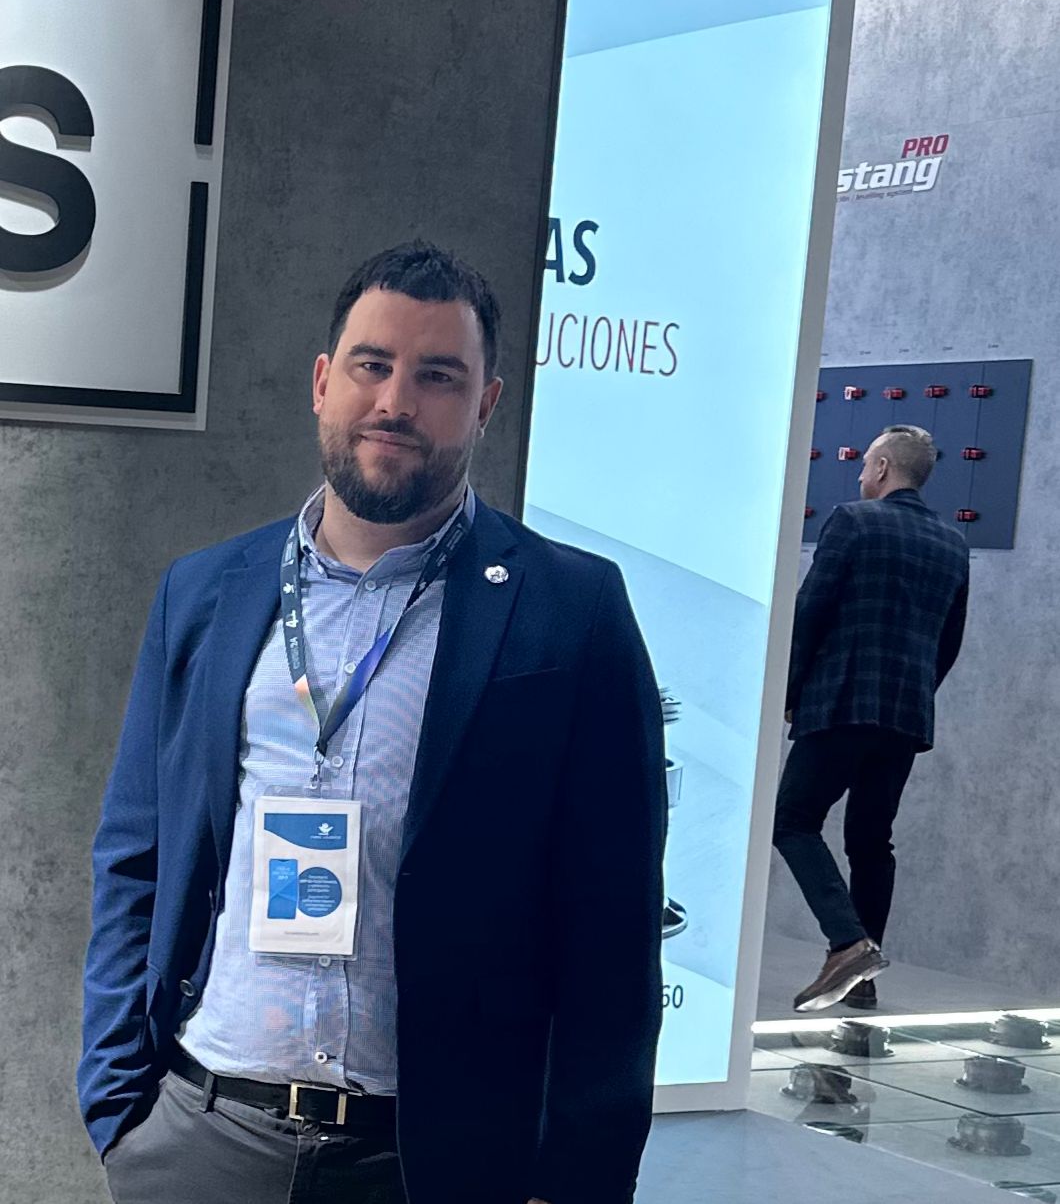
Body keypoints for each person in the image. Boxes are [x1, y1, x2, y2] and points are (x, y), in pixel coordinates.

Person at [80, 242, 666, 1204]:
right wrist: (118, 1105)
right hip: (201, 1138)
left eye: (438, 376)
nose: (396, 401)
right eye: (373, 364)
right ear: (324, 381)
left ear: (485, 403)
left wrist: (577, 1179)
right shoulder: (205, 591)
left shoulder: (570, 611)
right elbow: (135, 854)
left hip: (435, 1161)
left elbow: (613, 927)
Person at [773, 424, 969, 1014]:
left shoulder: (853, 521)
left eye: (865, 463)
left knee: (792, 819)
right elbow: (950, 641)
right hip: (906, 714)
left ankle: (848, 944)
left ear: (883, 468)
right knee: (871, 840)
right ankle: (863, 982)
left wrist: (788, 692)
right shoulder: (952, 543)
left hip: (841, 700)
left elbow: (811, 611)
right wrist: (915, 695)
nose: (860, 473)